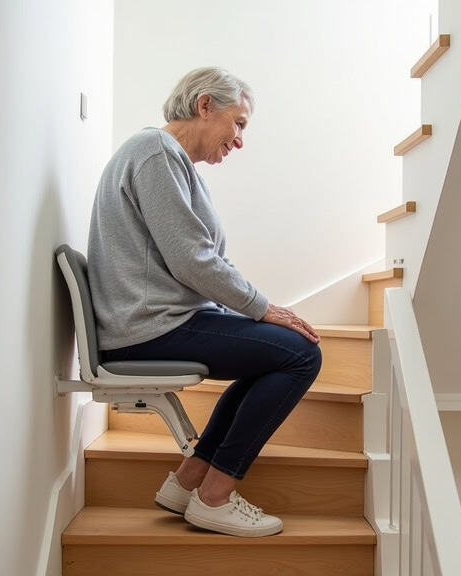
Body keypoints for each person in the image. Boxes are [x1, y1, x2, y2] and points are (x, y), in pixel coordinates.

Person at [87, 67, 322, 538]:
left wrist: (251, 310)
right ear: (204, 106)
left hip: (155, 319)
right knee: (300, 354)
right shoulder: (156, 153)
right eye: (238, 124)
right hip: (147, 328)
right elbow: (194, 262)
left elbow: (203, 257)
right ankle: (214, 498)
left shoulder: (167, 159)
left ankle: (188, 482)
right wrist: (263, 308)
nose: (239, 140)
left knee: (275, 352)